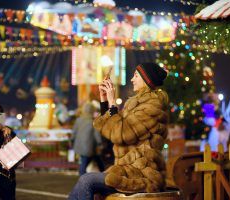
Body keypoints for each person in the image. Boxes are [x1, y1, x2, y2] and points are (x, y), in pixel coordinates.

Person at [68, 63, 169, 199]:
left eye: (136, 76)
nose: (132, 79)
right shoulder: (135, 104)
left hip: (142, 173)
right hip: (127, 169)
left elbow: (121, 134)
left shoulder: (152, 107)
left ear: (146, 80)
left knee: (87, 181)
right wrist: (104, 101)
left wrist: (112, 102)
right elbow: (111, 131)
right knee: (91, 186)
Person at [72, 102, 105, 176]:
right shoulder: (92, 121)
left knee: (87, 161)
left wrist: (72, 140)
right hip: (90, 146)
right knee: (86, 163)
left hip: (80, 145)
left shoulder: (78, 120)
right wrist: (100, 143)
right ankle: (84, 179)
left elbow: (74, 132)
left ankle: (104, 174)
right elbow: (96, 134)